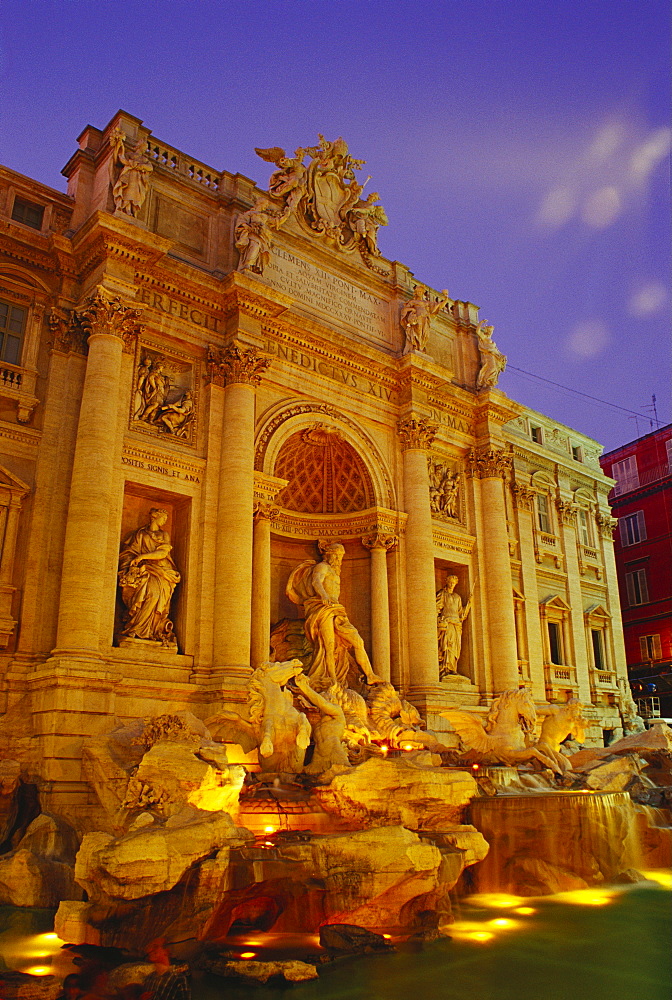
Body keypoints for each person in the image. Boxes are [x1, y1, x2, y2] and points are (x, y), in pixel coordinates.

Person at [286, 541, 382, 690]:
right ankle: (332, 679)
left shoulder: (334, 571)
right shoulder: (322, 567)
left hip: (337, 610)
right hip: (323, 608)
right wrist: (323, 595)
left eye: (340, 556)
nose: (339, 559)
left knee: (357, 641)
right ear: (329, 555)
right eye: (337, 556)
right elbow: (316, 581)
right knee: (327, 646)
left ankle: (369, 675)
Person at [118, 508, 180, 645]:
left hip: (161, 571)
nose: (165, 521)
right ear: (155, 517)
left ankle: (152, 630)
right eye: (163, 518)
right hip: (144, 571)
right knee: (145, 596)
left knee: (156, 596)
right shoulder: (139, 534)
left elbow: (163, 553)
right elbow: (129, 551)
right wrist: (133, 562)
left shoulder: (164, 535)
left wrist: (142, 557)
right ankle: (137, 628)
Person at [110, 129, 153, 217]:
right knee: (127, 192)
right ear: (138, 147)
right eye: (142, 147)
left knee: (135, 195)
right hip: (129, 175)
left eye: (144, 148)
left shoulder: (144, 160)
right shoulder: (130, 155)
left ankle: (133, 211)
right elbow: (122, 159)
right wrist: (119, 145)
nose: (143, 149)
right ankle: (126, 209)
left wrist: (139, 166)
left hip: (138, 179)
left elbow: (150, 168)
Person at [436, 575, 471, 678]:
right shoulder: (442, 594)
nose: (452, 585)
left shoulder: (457, 597)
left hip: (456, 624)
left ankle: (452, 668)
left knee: (456, 647)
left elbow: (461, 614)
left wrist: (468, 604)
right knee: (447, 645)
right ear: (446, 582)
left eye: (454, 583)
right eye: (450, 582)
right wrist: (438, 620)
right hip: (447, 623)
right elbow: (437, 608)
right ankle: (445, 668)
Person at [400, 286, 449, 353]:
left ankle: (421, 347)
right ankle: (417, 346)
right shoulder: (413, 301)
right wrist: (412, 309)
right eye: (418, 292)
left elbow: (439, 305)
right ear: (416, 293)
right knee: (418, 331)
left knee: (425, 334)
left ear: (423, 293)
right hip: (418, 318)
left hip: (425, 319)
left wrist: (446, 299)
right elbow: (404, 309)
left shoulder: (426, 303)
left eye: (421, 291)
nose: (419, 293)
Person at [475, 320, 507, 389]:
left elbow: (496, 350)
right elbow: (477, 331)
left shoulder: (492, 341)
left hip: (494, 356)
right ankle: (485, 382)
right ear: (487, 331)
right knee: (491, 368)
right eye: (489, 330)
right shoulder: (484, 338)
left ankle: (489, 382)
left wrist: (501, 356)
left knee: (494, 369)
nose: (491, 332)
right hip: (488, 356)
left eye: (491, 331)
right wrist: (481, 323)